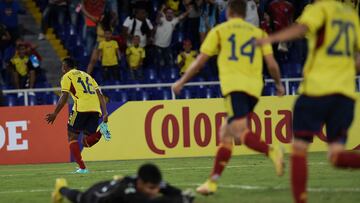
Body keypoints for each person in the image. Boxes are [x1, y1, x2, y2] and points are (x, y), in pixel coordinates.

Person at [172, 0, 285, 195]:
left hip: (235, 86)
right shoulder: (258, 33)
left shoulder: (219, 31)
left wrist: (181, 82)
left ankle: (272, 151)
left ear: (229, 11)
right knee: (226, 134)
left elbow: (199, 63)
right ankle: (212, 182)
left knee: (239, 132)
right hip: (256, 87)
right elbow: (272, 64)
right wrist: (278, 84)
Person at [257, 0, 360, 203]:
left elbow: (302, 28)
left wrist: (271, 38)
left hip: (317, 90)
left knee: (299, 149)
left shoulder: (318, 9)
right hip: (345, 95)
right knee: (336, 156)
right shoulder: (351, 16)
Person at [46, 57, 111, 174]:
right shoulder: (87, 76)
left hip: (81, 108)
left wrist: (55, 113)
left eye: (62, 66)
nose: (62, 69)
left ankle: (82, 168)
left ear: (65, 67)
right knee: (86, 142)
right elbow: (100, 95)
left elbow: (64, 96)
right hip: (95, 109)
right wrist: (105, 112)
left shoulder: (67, 76)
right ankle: (102, 131)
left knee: (72, 137)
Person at [52, 163, 195, 203]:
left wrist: (182, 195)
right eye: (151, 188)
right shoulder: (128, 191)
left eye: (156, 187)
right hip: (96, 196)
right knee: (78, 198)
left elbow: (167, 188)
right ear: (140, 183)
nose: (155, 191)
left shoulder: (148, 180)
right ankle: (61, 188)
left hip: (114, 185)